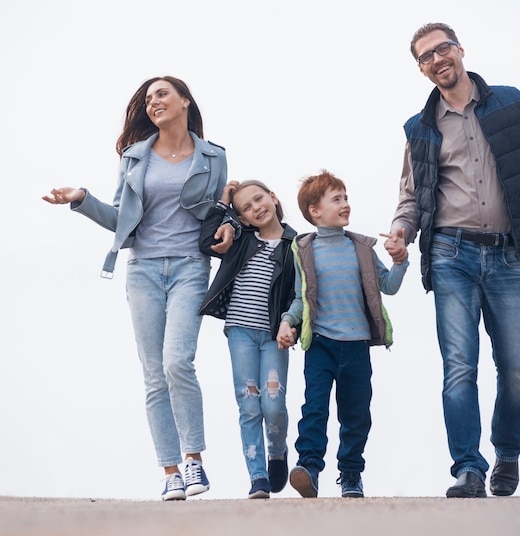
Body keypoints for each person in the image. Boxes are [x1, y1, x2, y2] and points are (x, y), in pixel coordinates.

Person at [386, 23, 520, 498]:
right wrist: (402, 231)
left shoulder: (510, 101)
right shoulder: (419, 128)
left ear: (459, 49)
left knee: (517, 367)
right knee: (460, 366)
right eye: (425, 57)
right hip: (451, 254)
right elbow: (411, 197)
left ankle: (507, 453)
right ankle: (468, 467)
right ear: (422, 69)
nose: (437, 59)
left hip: (509, 254)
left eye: (442, 48)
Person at [42, 76, 238, 500]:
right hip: (143, 270)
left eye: (162, 94)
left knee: (176, 362)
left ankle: (194, 462)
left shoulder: (213, 156)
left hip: (190, 266)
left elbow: (222, 212)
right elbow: (121, 219)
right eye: (148, 99)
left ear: (185, 101)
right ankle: (170, 472)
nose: (154, 102)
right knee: (154, 375)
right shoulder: (134, 158)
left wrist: (228, 224)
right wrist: (81, 198)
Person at [277, 170, 409, 499]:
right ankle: (308, 467)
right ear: (315, 211)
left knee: (356, 414)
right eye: (337, 199)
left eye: (346, 197)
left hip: (356, 348)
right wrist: (286, 323)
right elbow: (299, 298)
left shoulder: (362, 248)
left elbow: (388, 287)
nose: (345, 204)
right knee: (315, 409)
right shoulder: (304, 249)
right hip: (320, 345)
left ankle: (351, 474)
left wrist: (400, 260)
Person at [198, 179, 296, 499]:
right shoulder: (240, 239)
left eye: (259, 199)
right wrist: (223, 202)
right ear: (242, 218)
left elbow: (302, 293)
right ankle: (258, 477)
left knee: (273, 404)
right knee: (249, 405)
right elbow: (206, 241)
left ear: (273, 197)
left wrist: (290, 324)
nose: (257, 208)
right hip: (240, 333)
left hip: (273, 336)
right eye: (247, 208)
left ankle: (277, 451)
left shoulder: (296, 244)